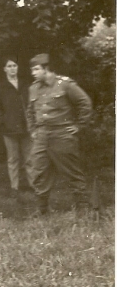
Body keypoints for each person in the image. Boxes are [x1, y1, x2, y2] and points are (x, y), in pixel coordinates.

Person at [26, 53, 93, 215]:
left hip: (62, 134)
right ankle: (42, 209)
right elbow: (30, 111)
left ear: (46, 69)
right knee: (38, 171)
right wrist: (33, 130)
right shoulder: (33, 88)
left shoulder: (65, 84)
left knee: (72, 171)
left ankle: (83, 207)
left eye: (36, 69)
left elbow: (85, 103)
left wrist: (79, 125)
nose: (33, 73)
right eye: (32, 70)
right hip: (42, 136)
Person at [0, 56, 34, 197]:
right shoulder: (0, 87)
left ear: (18, 68)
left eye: (14, 66)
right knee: (13, 159)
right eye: (9, 66)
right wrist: (3, 121)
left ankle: (33, 185)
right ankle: (14, 187)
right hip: (9, 129)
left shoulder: (25, 84)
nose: (12, 69)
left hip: (26, 127)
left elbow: (32, 103)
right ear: (4, 69)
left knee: (29, 158)